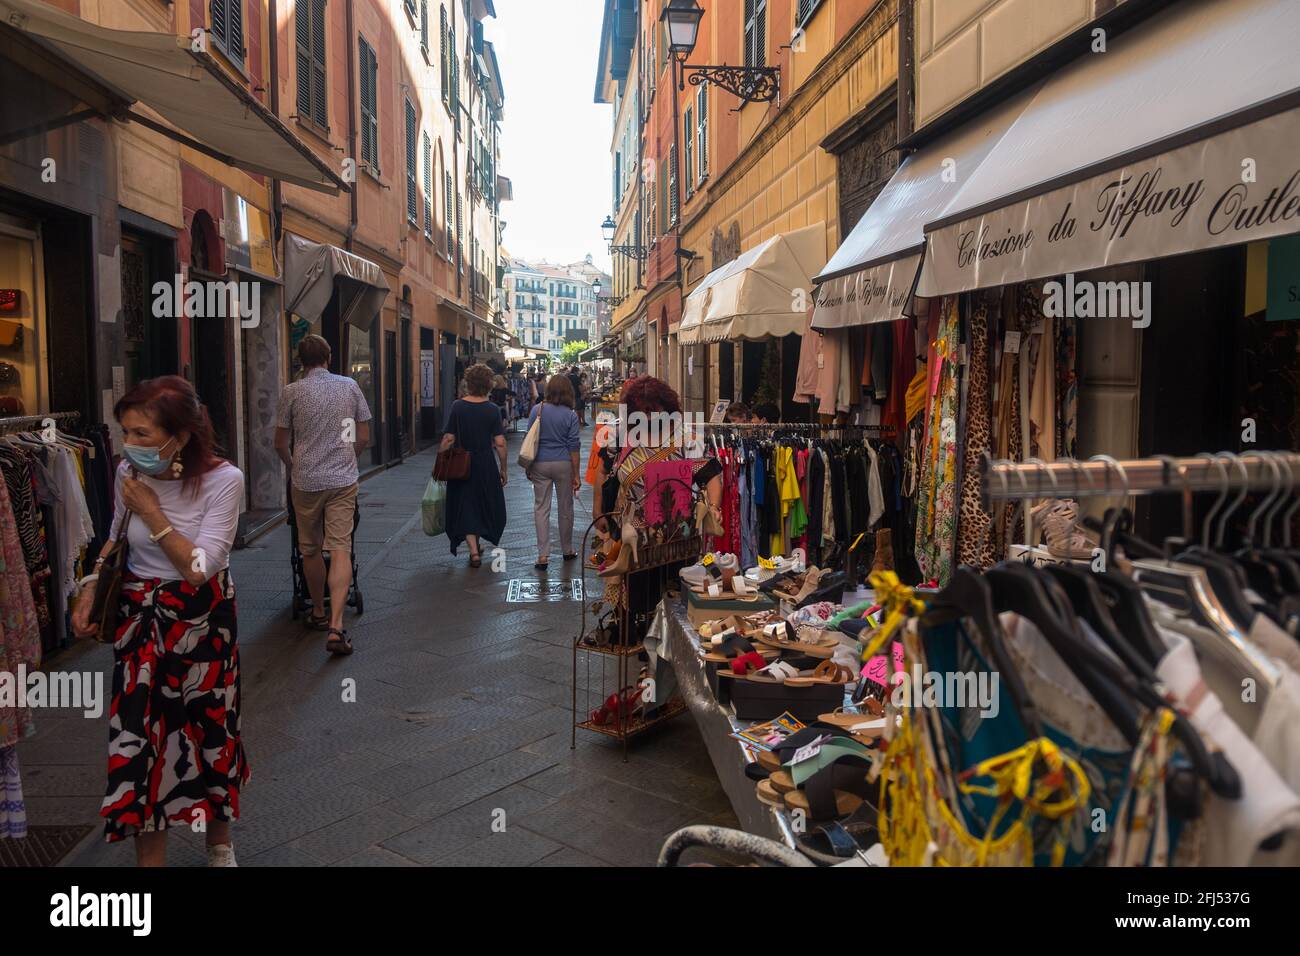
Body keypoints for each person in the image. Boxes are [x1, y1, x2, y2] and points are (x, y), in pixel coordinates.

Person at [71, 376, 249, 867]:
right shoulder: (128, 471)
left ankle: (219, 840)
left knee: (212, 731)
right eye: (126, 432)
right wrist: (89, 587)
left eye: (143, 434)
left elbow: (199, 570)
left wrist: (153, 513)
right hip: (139, 625)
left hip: (204, 626)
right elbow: (114, 540)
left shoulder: (224, 481)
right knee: (138, 740)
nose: (130, 445)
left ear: (183, 435)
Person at [274, 334, 370, 656]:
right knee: (340, 548)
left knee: (310, 550)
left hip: (305, 481)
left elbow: (279, 442)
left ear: (301, 360)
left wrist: (293, 464)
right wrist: (348, 458)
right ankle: (336, 625)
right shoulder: (349, 387)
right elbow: (363, 435)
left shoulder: (291, 392)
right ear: (328, 357)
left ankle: (317, 611)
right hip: (343, 480)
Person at [440, 363, 508, 567]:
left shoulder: (458, 406)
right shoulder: (492, 410)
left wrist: (441, 460)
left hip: (461, 463)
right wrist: (503, 468)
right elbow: (500, 443)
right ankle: (475, 549)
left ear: (468, 384)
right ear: (488, 385)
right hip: (485, 463)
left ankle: (474, 550)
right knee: (481, 502)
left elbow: (449, 438)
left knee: (466, 503)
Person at [526, 374, 581, 571]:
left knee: (541, 508)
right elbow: (574, 446)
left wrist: (529, 466)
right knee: (566, 507)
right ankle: (567, 550)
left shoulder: (537, 410)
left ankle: (543, 555)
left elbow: (529, 438)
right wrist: (577, 474)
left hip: (540, 462)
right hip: (563, 464)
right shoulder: (571, 415)